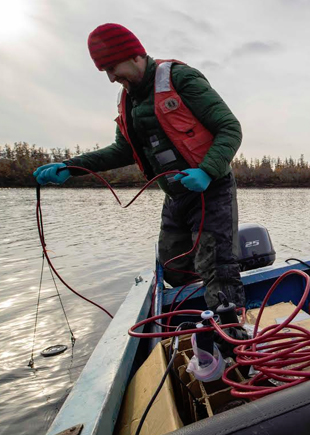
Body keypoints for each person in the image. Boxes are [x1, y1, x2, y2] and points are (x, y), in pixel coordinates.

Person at [33, 23, 245, 312]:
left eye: (112, 68)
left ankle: (231, 333)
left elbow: (230, 128)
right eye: (105, 71)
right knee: (173, 268)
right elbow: (122, 150)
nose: (110, 78)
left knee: (217, 268)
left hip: (211, 190)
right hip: (175, 197)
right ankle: (196, 323)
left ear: (134, 55)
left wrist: (207, 171)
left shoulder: (181, 78)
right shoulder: (127, 100)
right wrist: (72, 167)